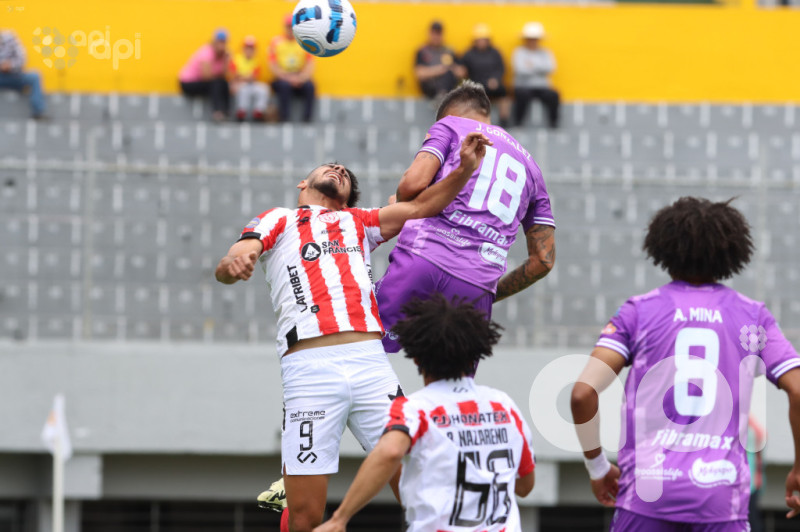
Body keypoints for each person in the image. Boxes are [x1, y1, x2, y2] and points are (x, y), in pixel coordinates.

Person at [216, 132, 493, 532]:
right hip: (309, 371)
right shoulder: (278, 218)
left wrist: (466, 169)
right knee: (307, 516)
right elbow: (237, 256)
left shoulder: (359, 222)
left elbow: (423, 205)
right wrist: (234, 265)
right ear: (302, 184)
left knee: (420, 482)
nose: (339, 168)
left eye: (346, 174)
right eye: (331, 166)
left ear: (348, 201)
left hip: (369, 365)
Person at [570, 197, 800, 530]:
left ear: (663, 248)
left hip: (647, 494)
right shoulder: (753, 316)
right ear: (731, 253)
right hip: (721, 500)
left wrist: (598, 469)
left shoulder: (639, 312)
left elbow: (581, 394)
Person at [312, 294, 535, 532]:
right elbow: (524, 486)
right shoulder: (504, 406)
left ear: (416, 357)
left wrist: (340, 518)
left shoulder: (415, 409)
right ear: (475, 355)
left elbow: (390, 451)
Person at [375, 80, 555, 357]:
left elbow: (412, 184)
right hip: (477, 284)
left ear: (451, 112)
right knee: (455, 383)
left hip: (422, 260)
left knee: (365, 351)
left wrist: (400, 206)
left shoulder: (451, 125)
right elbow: (543, 260)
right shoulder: (533, 168)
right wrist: (492, 292)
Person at [460, 24, 511, 129]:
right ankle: (478, 123)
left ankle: (504, 121)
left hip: (493, 83)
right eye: (479, 39)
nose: (482, 42)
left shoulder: (495, 53)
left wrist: (496, 79)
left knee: (504, 92)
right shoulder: (469, 54)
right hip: (476, 83)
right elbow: (462, 70)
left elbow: (501, 68)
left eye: (484, 39)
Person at [512, 22, 560, 129]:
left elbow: (551, 68)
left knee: (554, 95)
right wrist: (540, 68)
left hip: (542, 87)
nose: (532, 41)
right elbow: (520, 70)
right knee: (521, 96)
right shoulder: (519, 52)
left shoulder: (546, 52)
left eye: (535, 39)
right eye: (530, 38)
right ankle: (518, 123)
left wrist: (531, 65)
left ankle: (554, 123)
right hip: (523, 86)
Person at [269, 15, 315, 123]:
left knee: (310, 86)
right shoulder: (276, 42)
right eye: (288, 27)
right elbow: (273, 65)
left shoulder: (304, 42)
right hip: (282, 77)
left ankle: (307, 119)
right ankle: (284, 118)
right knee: (284, 87)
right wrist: (288, 78)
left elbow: (310, 64)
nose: (290, 29)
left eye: (292, 27)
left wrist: (301, 78)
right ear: (285, 27)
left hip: (299, 76)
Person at [178, 29, 231, 122]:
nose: (221, 45)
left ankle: (225, 111)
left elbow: (225, 75)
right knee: (217, 84)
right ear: (213, 42)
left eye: (223, 42)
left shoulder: (224, 55)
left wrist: (226, 61)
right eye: (219, 42)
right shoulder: (207, 52)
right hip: (188, 83)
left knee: (223, 83)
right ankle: (217, 112)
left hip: (205, 82)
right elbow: (206, 77)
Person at [414, 21, 466, 101]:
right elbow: (419, 74)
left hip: (449, 89)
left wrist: (451, 67)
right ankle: (441, 95)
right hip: (431, 89)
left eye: (438, 34)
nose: (436, 37)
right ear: (429, 34)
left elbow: (462, 72)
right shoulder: (423, 51)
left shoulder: (450, 51)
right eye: (434, 33)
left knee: (448, 77)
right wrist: (440, 70)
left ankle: (443, 95)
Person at [0, 29, 46, 119]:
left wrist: (10, 65)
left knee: (35, 76)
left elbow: (22, 59)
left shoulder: (9, 38)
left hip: (16, 76)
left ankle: (38, 112)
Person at [229, 35, 269, 122]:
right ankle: (241, 112)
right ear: (243, 48)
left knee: (263, 89)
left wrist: (242, 76)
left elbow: (253, 77)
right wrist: (245, 77)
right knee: (243, 90)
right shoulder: (236, 59)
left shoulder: (256, 61)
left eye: (252, 48)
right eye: (247, 48)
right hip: (239, 84)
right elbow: (234, 75)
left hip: (250, 84)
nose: (249, 50)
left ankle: (259, 112)